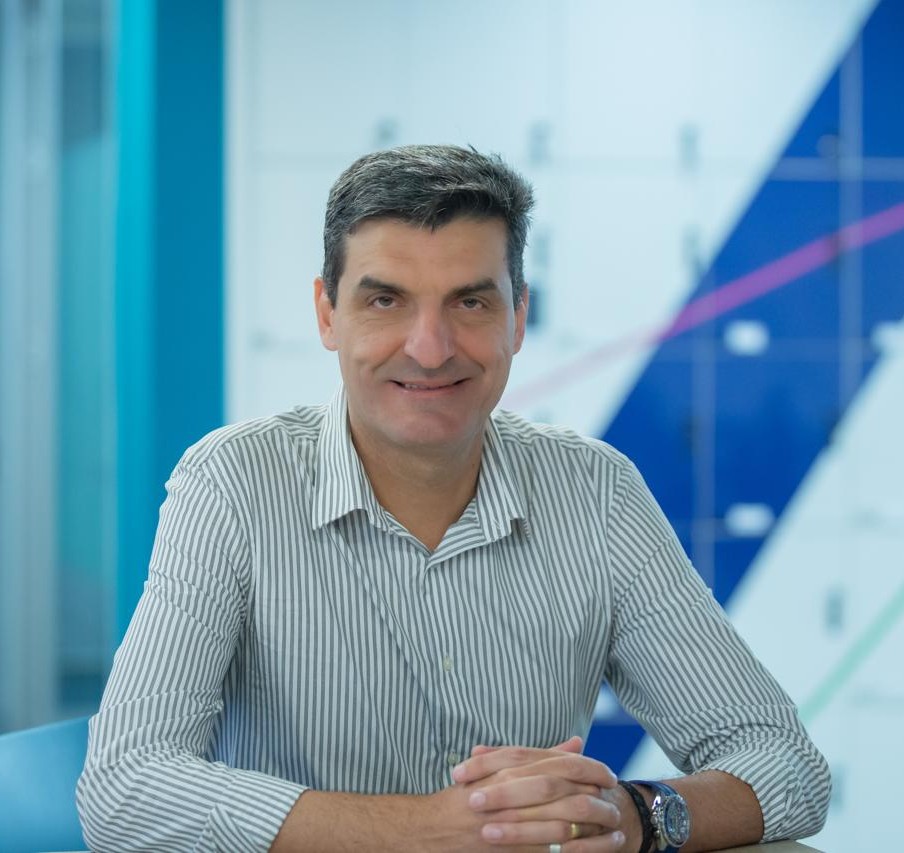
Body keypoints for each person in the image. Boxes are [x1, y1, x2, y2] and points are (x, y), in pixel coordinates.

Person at [77, 144, 830, 853]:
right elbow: (124, 786)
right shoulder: (233, 483)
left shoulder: (596, 492)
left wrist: (633, 816)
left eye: (470, 303)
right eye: (385, 301)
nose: (430, 348)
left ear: (518, 317)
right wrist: (426, 831)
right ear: (328, 314)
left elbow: (784, 762)